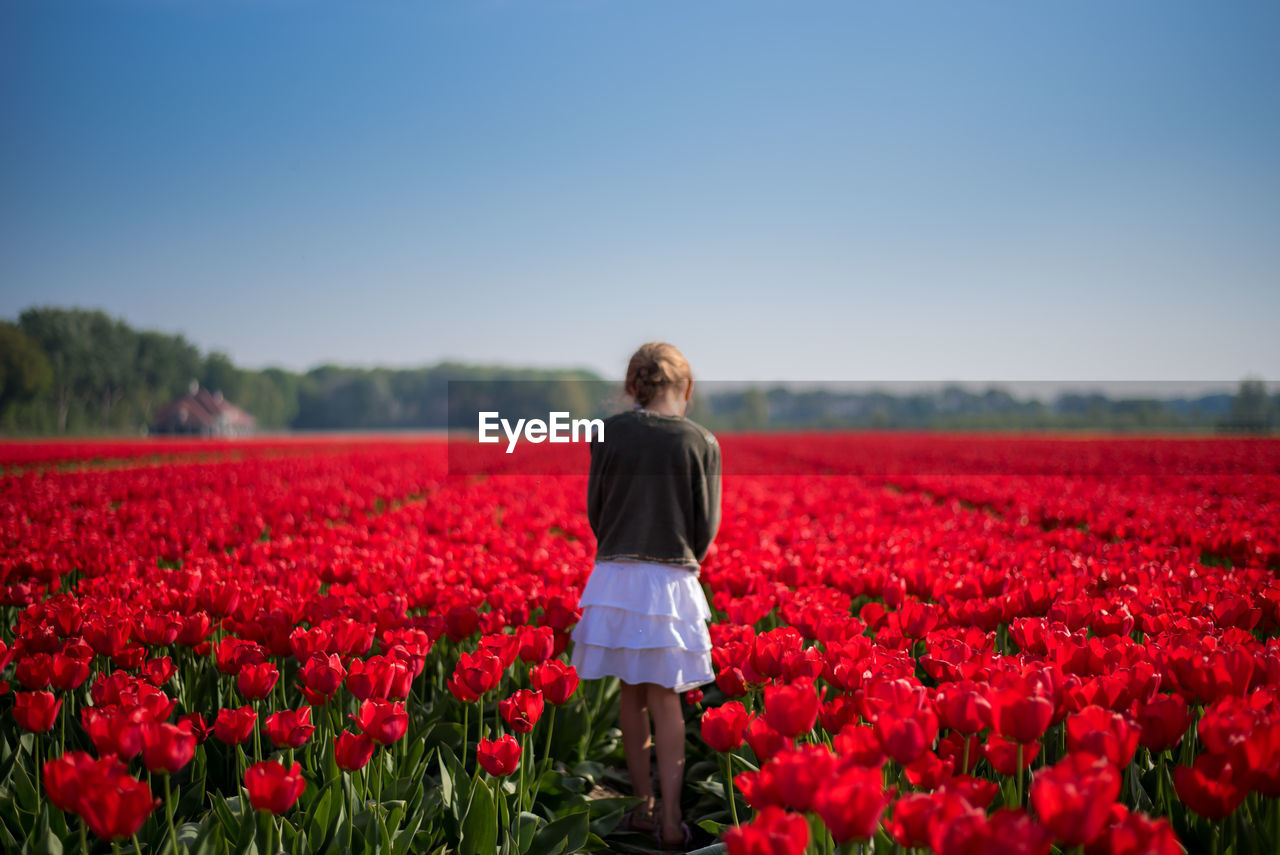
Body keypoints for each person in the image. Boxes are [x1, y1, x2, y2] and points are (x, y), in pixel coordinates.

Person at [569, 341, 722, 851]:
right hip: (670, 577)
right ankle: (674, 817)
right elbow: (706, 526)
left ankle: (638, 806)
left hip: (616, 573)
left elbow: (597, 508)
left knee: (630, 694)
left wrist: (618, 545)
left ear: (634, 386)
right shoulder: (701, 442)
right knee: (666, 697)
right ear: (688, 388)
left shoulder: (605, 434)